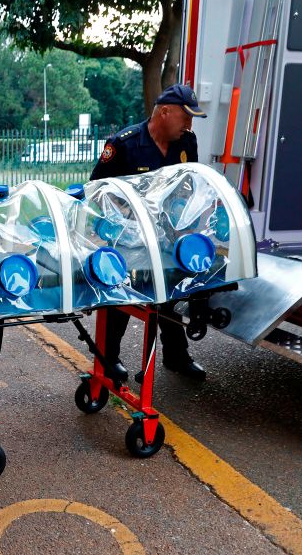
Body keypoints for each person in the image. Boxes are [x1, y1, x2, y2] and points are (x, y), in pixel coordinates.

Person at [89, 84, 208, 381]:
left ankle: (176, 356)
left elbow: (189, 187)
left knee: (169, 293)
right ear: (165, 112)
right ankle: (107, 360)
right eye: (186, 117)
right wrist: (120, 223)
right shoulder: (124, 145)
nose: (189, 125)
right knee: (122, 298)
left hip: (167, 236)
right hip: (128, 239)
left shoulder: (186, 144)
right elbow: (97, 191)